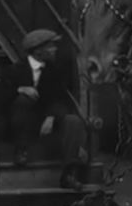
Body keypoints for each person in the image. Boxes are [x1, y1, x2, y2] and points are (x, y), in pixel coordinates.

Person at [10, 29, 92, 188]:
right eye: (51, 46)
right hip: (23, 122)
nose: (55, 49)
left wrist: (52, 117)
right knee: (23, 100)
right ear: (38, 51)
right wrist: (20, 89)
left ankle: (69, 173)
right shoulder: (17, 69)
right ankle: (21, 151)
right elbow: (0, 95)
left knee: (73, 121)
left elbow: (61, 99)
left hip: (47, 119)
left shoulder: (55, 71)